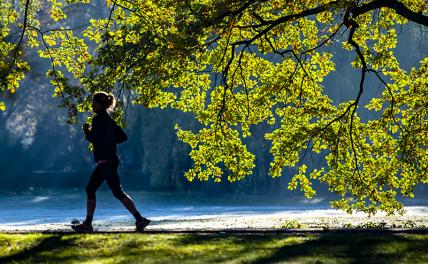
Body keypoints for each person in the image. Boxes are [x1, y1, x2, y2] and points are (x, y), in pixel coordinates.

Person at [71, 91, 150, 233]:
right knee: (93, 189)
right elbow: (123, 137)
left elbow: (94, 138)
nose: (92, 106)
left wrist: (86, 131)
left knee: (115, 192)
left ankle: (140, 219)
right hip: (108, 161)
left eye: (94, 103)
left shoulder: (97, 120)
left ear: (101, 105)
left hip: (106, 162)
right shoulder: (108, 120)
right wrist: (109, 140)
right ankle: (88, 224)